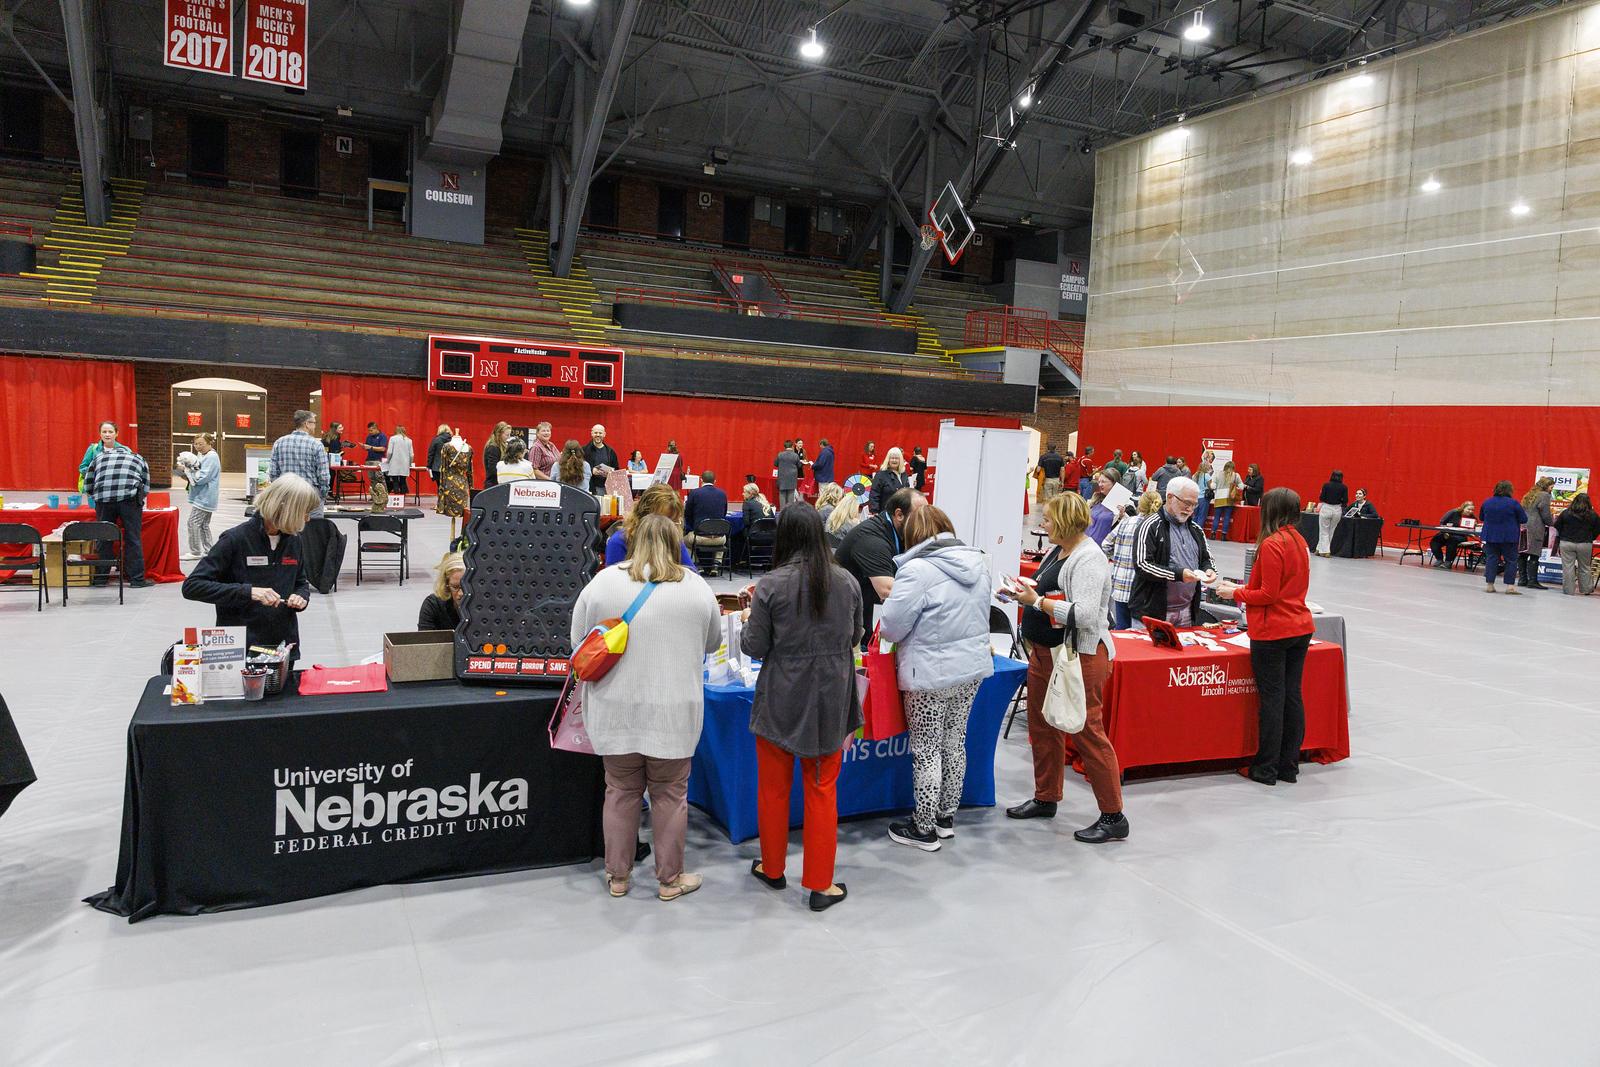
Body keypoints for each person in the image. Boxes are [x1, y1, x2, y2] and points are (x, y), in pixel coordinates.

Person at [569, 513, 721, 901]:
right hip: (674, 713)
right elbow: (711, 643)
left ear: (633, 540)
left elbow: (578, 641)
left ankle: (617, 877)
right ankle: (670, 881)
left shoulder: (603, 582)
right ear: (676, 544)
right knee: (670, 794)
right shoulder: (697, 588)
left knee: (619, 791)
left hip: (614, 710)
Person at [740, 504, 860, 910]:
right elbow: (856, 634)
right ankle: (820, 884)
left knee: (773, 790)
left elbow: (754, 646)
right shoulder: (846, 582)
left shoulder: (771, 585)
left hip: (780, 697)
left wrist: (746, 619)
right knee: (823, 789)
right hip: (830, 698)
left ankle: (772, 869)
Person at [1006, 492, 1128, 843]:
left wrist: (1037, 602)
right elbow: (1051, 592)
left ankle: (1113, 814)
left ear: (1064, 523)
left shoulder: (1089, 559)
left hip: (1080, 657)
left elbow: (1087, 615)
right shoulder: (1059, 550)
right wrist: (1028, 594)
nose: (1042, 524)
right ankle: (1046, 797)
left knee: (1086, 730)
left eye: (1047, 520)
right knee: (1043, 726)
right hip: (1047, 653)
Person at [876, 505, 994, 851]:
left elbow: (892, 628)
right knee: (954, 742)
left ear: (912, 535)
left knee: (927, 750)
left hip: (929, 673)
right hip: (970, 669)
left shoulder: (916, 571)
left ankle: (923, 826)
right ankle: (945, 817)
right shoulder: (979, 564)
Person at [1216, 488, 1315, 785]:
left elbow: (1267, 594)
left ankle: (1266, 767)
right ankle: (1288, 765)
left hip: (1274, 630)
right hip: (1299, 627)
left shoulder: (1272, 544)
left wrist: (1233, 591)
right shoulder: (1299, 541)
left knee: (1273, 700)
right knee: (1291, 696)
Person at [183, 473, 316, 655]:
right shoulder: (235, 539)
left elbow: (301, 582)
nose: (307, 519)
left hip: (282, 645)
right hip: (240, 646)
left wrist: (301, 597)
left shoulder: (294, 540)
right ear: (285, 508)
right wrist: (249, 592)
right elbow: (193, 586)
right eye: (304, 512)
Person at [834, 486, 925, 641]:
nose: (924, 522)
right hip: (850, 625)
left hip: (868, 617)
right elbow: (887, 590)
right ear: (899, 515)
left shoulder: (900, 534)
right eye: (920, 516)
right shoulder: (871, 538)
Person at [1131, 476, 1214, 627]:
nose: (1190, 509)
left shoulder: (1196, 530)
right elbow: (1142, 565)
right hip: (1152, 613)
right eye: (1187, 503)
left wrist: (1209, 569)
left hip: (1187, 611)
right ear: (1170, 497)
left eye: (1194, 505)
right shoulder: (1149, 525)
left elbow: (1206, 558)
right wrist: (1178, 574)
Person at [84, 433, 154, 587]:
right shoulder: (138, 458)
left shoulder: (99, 458)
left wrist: (96, 496)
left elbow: (88, 483)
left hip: (104, 499)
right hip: (129, 500)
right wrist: (139, 500)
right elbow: (146, 485)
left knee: (103, 538)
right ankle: (136, 579)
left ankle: (101, 578)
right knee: (132, 538)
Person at [1101, 489, 1162, 630]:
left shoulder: (1126, 522)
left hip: (1120, 584)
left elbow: (1105, 544)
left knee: (1121, 628)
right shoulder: (1157, 528)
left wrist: (1117, 557)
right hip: (1142, 590)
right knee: (1139, 633)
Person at [607, 483, 696, 569]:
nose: (669, 529)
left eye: (674, 522)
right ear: (642, 517)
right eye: (662, 522)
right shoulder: (619, 541)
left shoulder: (674, 540)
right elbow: (614, 580)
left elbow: (693, 578)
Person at [269, 410, 330, 516]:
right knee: (312, 529)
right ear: (307, 424)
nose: (315, 426)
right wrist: (322, 495)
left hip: (287, 493)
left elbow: (273, 473)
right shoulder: (316, 444)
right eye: (314, 423)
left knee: (287, 528)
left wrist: (280, 492)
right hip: (310, 494)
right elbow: (323, 475)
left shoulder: (279, 442)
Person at [1478, 480, 1528, 594]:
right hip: (1509, 536)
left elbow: (1481, 517)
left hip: (1490, 536)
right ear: (1510, 490)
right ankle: (1510, 587)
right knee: (1511, 560)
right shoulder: (1513, 503)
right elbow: (1524, 519)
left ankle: (1490, 585)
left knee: (1491, 559)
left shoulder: (1487, 502)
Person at [182, 432, 221, 560]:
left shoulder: (211, 457)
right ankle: (209, 550)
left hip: (205, 496)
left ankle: (195, 552)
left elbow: (203, 478)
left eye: (201, 444)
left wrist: (188, 473)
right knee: (203, 524)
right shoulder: (202, 455)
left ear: (210, 443)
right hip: (204, 495)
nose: (198, 447)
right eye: (196, 444)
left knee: (192, 522)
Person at [1554, 492, 1600, 595]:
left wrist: (1563, 535)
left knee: (1568, 567)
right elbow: (1598, 529)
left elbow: (1557, 525)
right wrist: (1591, 537)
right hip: (1585, 544)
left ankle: (1569, 590)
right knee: (1585, 567)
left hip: (1566, 543)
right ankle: (1586, 590)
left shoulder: (1566, 513)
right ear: (1588, 502)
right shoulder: (1593, 515)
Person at [683, 471, 729, 573]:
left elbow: (687, 514)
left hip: (699, 537)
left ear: (701, 480)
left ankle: (696, 564)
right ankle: (716, 565)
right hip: (720, 538)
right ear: (715, 481)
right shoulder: (722, 494)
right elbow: (724, 513)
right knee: (722, 539)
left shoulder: (694, 493)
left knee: (683, 541)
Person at [1518, 477, 1556, 589]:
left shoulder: (1529, 494)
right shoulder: (1544, 495)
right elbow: (1545, 514)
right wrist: (1551, 523)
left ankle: (1522, 579)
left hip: (1524, 527)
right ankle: (1533, 581)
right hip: (1535, 528)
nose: (1551, 489)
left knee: (1523, 553)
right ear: (1546, 486)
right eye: (1551, 487)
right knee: (1534, 554)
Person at [418, 551, 464, 630]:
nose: (461, 593)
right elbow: (424, 640)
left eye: (466, 587)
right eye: (455, 587)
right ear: (446, 585)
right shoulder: (433, 606)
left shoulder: (489, 607)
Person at [78, 420, 120, 498]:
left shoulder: (125, 450)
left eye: (110, 432)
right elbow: (82, 468)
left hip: (117, 491)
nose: (107, 435)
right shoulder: (93, 449)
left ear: (116, 433)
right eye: (104, 432)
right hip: (97, 491)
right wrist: (95, 473)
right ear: (100, 434)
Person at [1430, 501, 1477, 568]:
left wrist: (1475, 525)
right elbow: (1442, 522)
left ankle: (1448, 562)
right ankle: (1439, 559)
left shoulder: (1472, 517)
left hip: (1460, 536)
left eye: (1472, 510)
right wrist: (1445, 532)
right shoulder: (1453, 512)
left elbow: (1475, 527)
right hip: (1447, 533)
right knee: (1435, 540)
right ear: (1463, 508)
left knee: (1452, 540)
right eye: (1469, 509)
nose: (1470, 511)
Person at [1316, 470, 1349, 556]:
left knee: (1323, 530)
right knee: (1331, 530)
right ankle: (1319, 549)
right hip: (1337, 509)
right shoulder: (1344, 487)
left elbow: (1322, 498)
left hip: (1326, 507)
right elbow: (1345, 501)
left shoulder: (1326, 485)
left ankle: (1325, 551)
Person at [870, 448, 912, 515]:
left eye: (896, 458)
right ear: (888, 460)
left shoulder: (904, 474)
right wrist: (875, 512)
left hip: (901, 514)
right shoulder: (881, 475)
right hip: (885, 514)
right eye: (892, 458)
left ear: (900, 460)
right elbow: (874, 494)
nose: (894, 460)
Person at [582, 424, 619, 495]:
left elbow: (616, 469)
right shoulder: (584, 450)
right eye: (595, 433)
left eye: (600, 433)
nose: (598, 435)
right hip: (590, 487)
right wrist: (591, 470)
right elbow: (579, 468)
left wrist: (610, 472)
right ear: (592, 434)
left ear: (604, 434)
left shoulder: (611, 451)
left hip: (607, 488)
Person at [1208, 460, 1241, 539]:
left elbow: (1213, 486)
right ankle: (1223, 535)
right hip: (1229, 499)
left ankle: (1213, 534)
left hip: (1219, 497)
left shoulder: (1218, 474)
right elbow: (1241, 486)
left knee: (1217, 517)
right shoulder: (1235, 475)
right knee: (1227, 517)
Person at [1086, 470, 1118, 546]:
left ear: (1114, 483)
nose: (1100, 484)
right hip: (1086, 544)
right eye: (1099, 481)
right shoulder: (1095, 499)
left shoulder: (1125, 504)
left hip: (1103, 549)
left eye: (1103, 482)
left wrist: (1122, 516)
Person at [383, 425, 414, 496]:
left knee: (395, 481)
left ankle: (396, 497)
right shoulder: (409, 440)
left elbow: (390, 452)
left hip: (394, 463)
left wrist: (388, 460)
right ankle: (403, 498)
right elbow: (411, 454)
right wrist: (410, 463)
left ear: (396, 431)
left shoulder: (393, 439)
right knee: (403, 481)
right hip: (405, 464)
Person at [482, 422, 511, 488]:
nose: (508, 437)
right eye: (507, 435)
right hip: (493, 485)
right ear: (499, 434)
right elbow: (493, 470)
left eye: (509, 435)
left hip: (497, 484)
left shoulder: (501, 446)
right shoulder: (493, 448)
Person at [774, 440, 802, 509]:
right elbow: (799, 466)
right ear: (792, 446)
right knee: (790, 498)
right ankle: (789, 514)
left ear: (784, 447)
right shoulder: (795, 455)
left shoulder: (780, 454)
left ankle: (782, 514)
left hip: (782, 479)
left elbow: (775, 464)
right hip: (792, 480)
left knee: (782, 496)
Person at [426, 423, 452, 488]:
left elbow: (431, 454)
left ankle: (441, 497)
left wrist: (429, 466)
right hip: (450, 467)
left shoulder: (436, 440)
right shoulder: (453, 440)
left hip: (437, 467)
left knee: (439, 486)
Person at [1193, 460, 1213, 530]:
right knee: (1202, 515)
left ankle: (1193, 530)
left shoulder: (1195, 475)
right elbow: (1211, 487)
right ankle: (1198, 531)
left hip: (1195, 497)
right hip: (1203, 498)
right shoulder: (1207, 476)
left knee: (1195, 515)